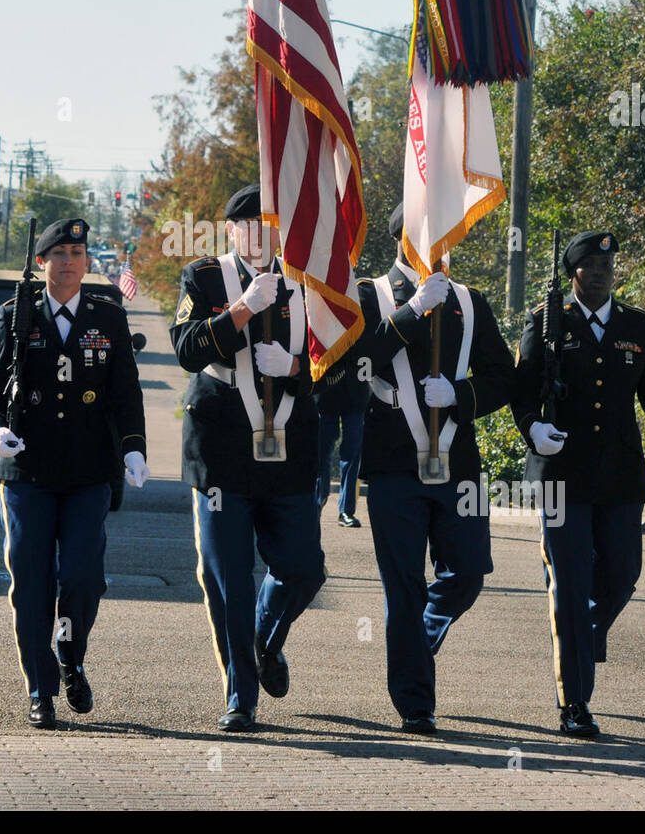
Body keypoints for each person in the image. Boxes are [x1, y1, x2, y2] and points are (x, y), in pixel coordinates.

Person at [512, 230, 645, 737]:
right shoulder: (547, 323)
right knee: (568, 588)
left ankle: (581, 640)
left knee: (623, 574)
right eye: (589, 266)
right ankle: (574, 703)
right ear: (573, 273)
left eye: (607, 266)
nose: (599, 273)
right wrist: (533, 429)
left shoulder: (637, 326)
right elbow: (521, 394)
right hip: (561, 477)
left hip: (619, 476)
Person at [169, 184, 333, 732]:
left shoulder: (308, 283)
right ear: (233, 230)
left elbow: (335, 368)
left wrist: (292, 367)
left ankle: (265, 637)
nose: (261, 236)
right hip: (222, 454)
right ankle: (241, 696)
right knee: (229, 578)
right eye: (250, 226)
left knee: (304, 568)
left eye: (270, 225)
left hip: (289, 453)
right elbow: (187, 349)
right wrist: (241, 310)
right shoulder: (205, 277)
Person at [355, 202, 515, 734]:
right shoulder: (369, 295)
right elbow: (356, 361)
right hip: (393, 463)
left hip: (458, 463)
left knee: (468, 571)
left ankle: (416, 646)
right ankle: (415, 701)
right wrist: (411, 312)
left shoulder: (471, 302)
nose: (437, 246)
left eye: (444, 236)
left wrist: (462, 394)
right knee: (404, 585)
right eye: (425, 236)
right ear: (401, 237)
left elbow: (502, 376)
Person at [0, 216, 147, 731]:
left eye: (78, 254)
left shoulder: (107, 316)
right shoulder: (17, 314)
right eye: (60, 254)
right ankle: (40, 688)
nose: (71, 262)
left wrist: (134, 448)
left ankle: (70, 657)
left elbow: (126, 391)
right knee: (32, 582)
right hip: (28, 468)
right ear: (42, 262)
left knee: (81, 577)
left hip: (88, 470)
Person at [315, 355, 370, 527]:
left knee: (352, 454)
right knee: (321, 453)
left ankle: (346, 510)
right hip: (326, 391)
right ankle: (318, 502)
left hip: (357, 394)